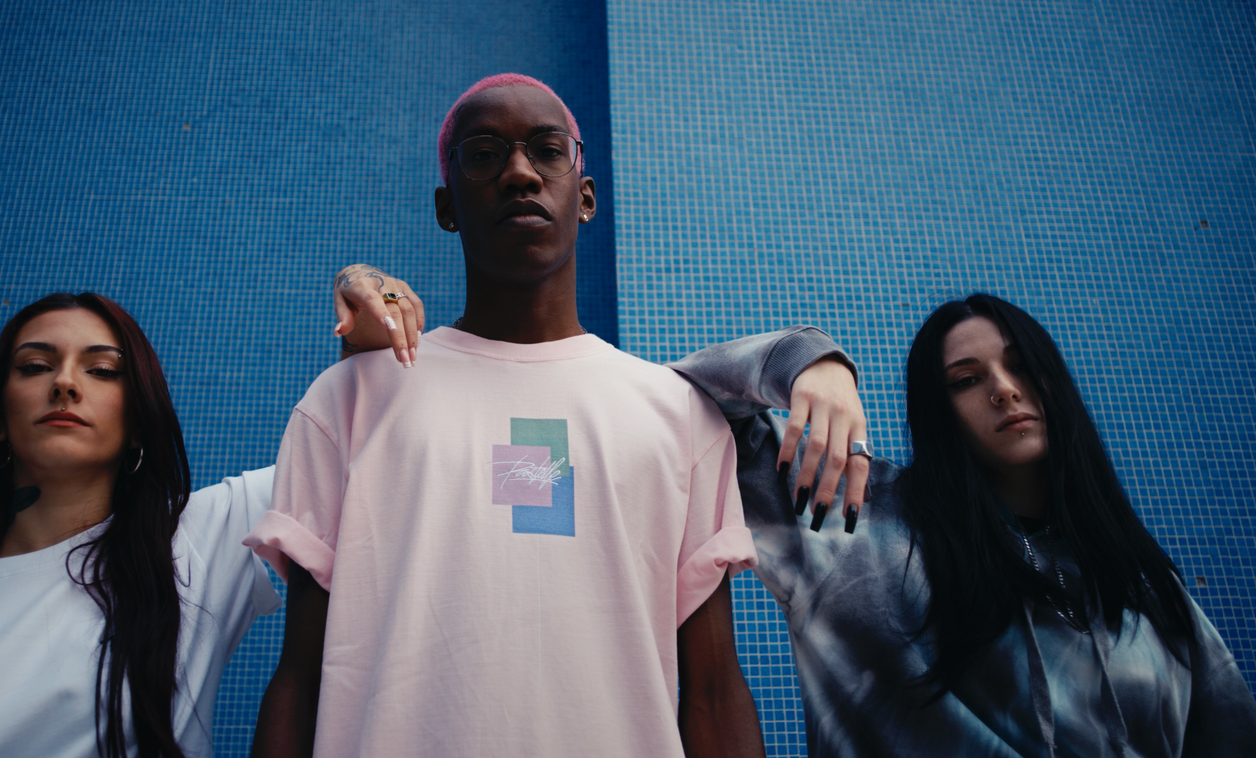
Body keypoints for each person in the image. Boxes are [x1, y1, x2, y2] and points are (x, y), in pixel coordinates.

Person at [244, 73, 870, 758]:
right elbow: (300, 678)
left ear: (586, 196)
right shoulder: (350, 401)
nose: (518, 172)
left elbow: (713, 690)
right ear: (446, 205)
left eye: (545, 150)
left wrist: (817, 360)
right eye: (483, 154)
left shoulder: (677, 416)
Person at [0, 274, 425, 758]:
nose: (64, 383)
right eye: (34, 366)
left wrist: (376, 293)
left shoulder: (194, 542)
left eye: (101, 370)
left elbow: (378, 450)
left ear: (138, 420)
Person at [670, 293, 1256, 756]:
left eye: (1021, 368)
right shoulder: (859, 525)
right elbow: (674, 412)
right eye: (967, 379)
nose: (1005, 391)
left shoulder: (1143, 586)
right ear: (938, 409)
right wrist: (808, 360)